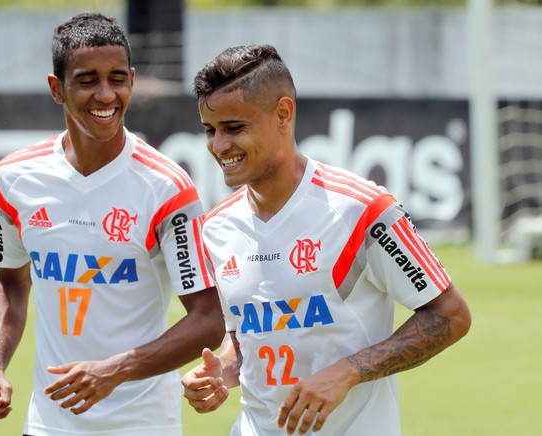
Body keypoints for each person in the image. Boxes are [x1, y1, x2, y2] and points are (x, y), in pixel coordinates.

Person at [181, 44, 471, 436]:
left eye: (234, 128)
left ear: (283, 114)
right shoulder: (216, 227)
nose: (218, 145)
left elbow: (450, 315)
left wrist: (348, 372)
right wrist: (224, 372)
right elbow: (246, 335)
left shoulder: (363, 210)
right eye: (209, 131)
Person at [0, 12, 224, 435]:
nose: (106, 94)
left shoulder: (166, 188)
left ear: (132, 80)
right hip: (48, 424)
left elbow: (208, 318)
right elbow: (11, 283)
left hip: (142, 425)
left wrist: (115, 371)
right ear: (57, 89)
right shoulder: (14, 180)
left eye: (117, 78)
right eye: (87, 80)